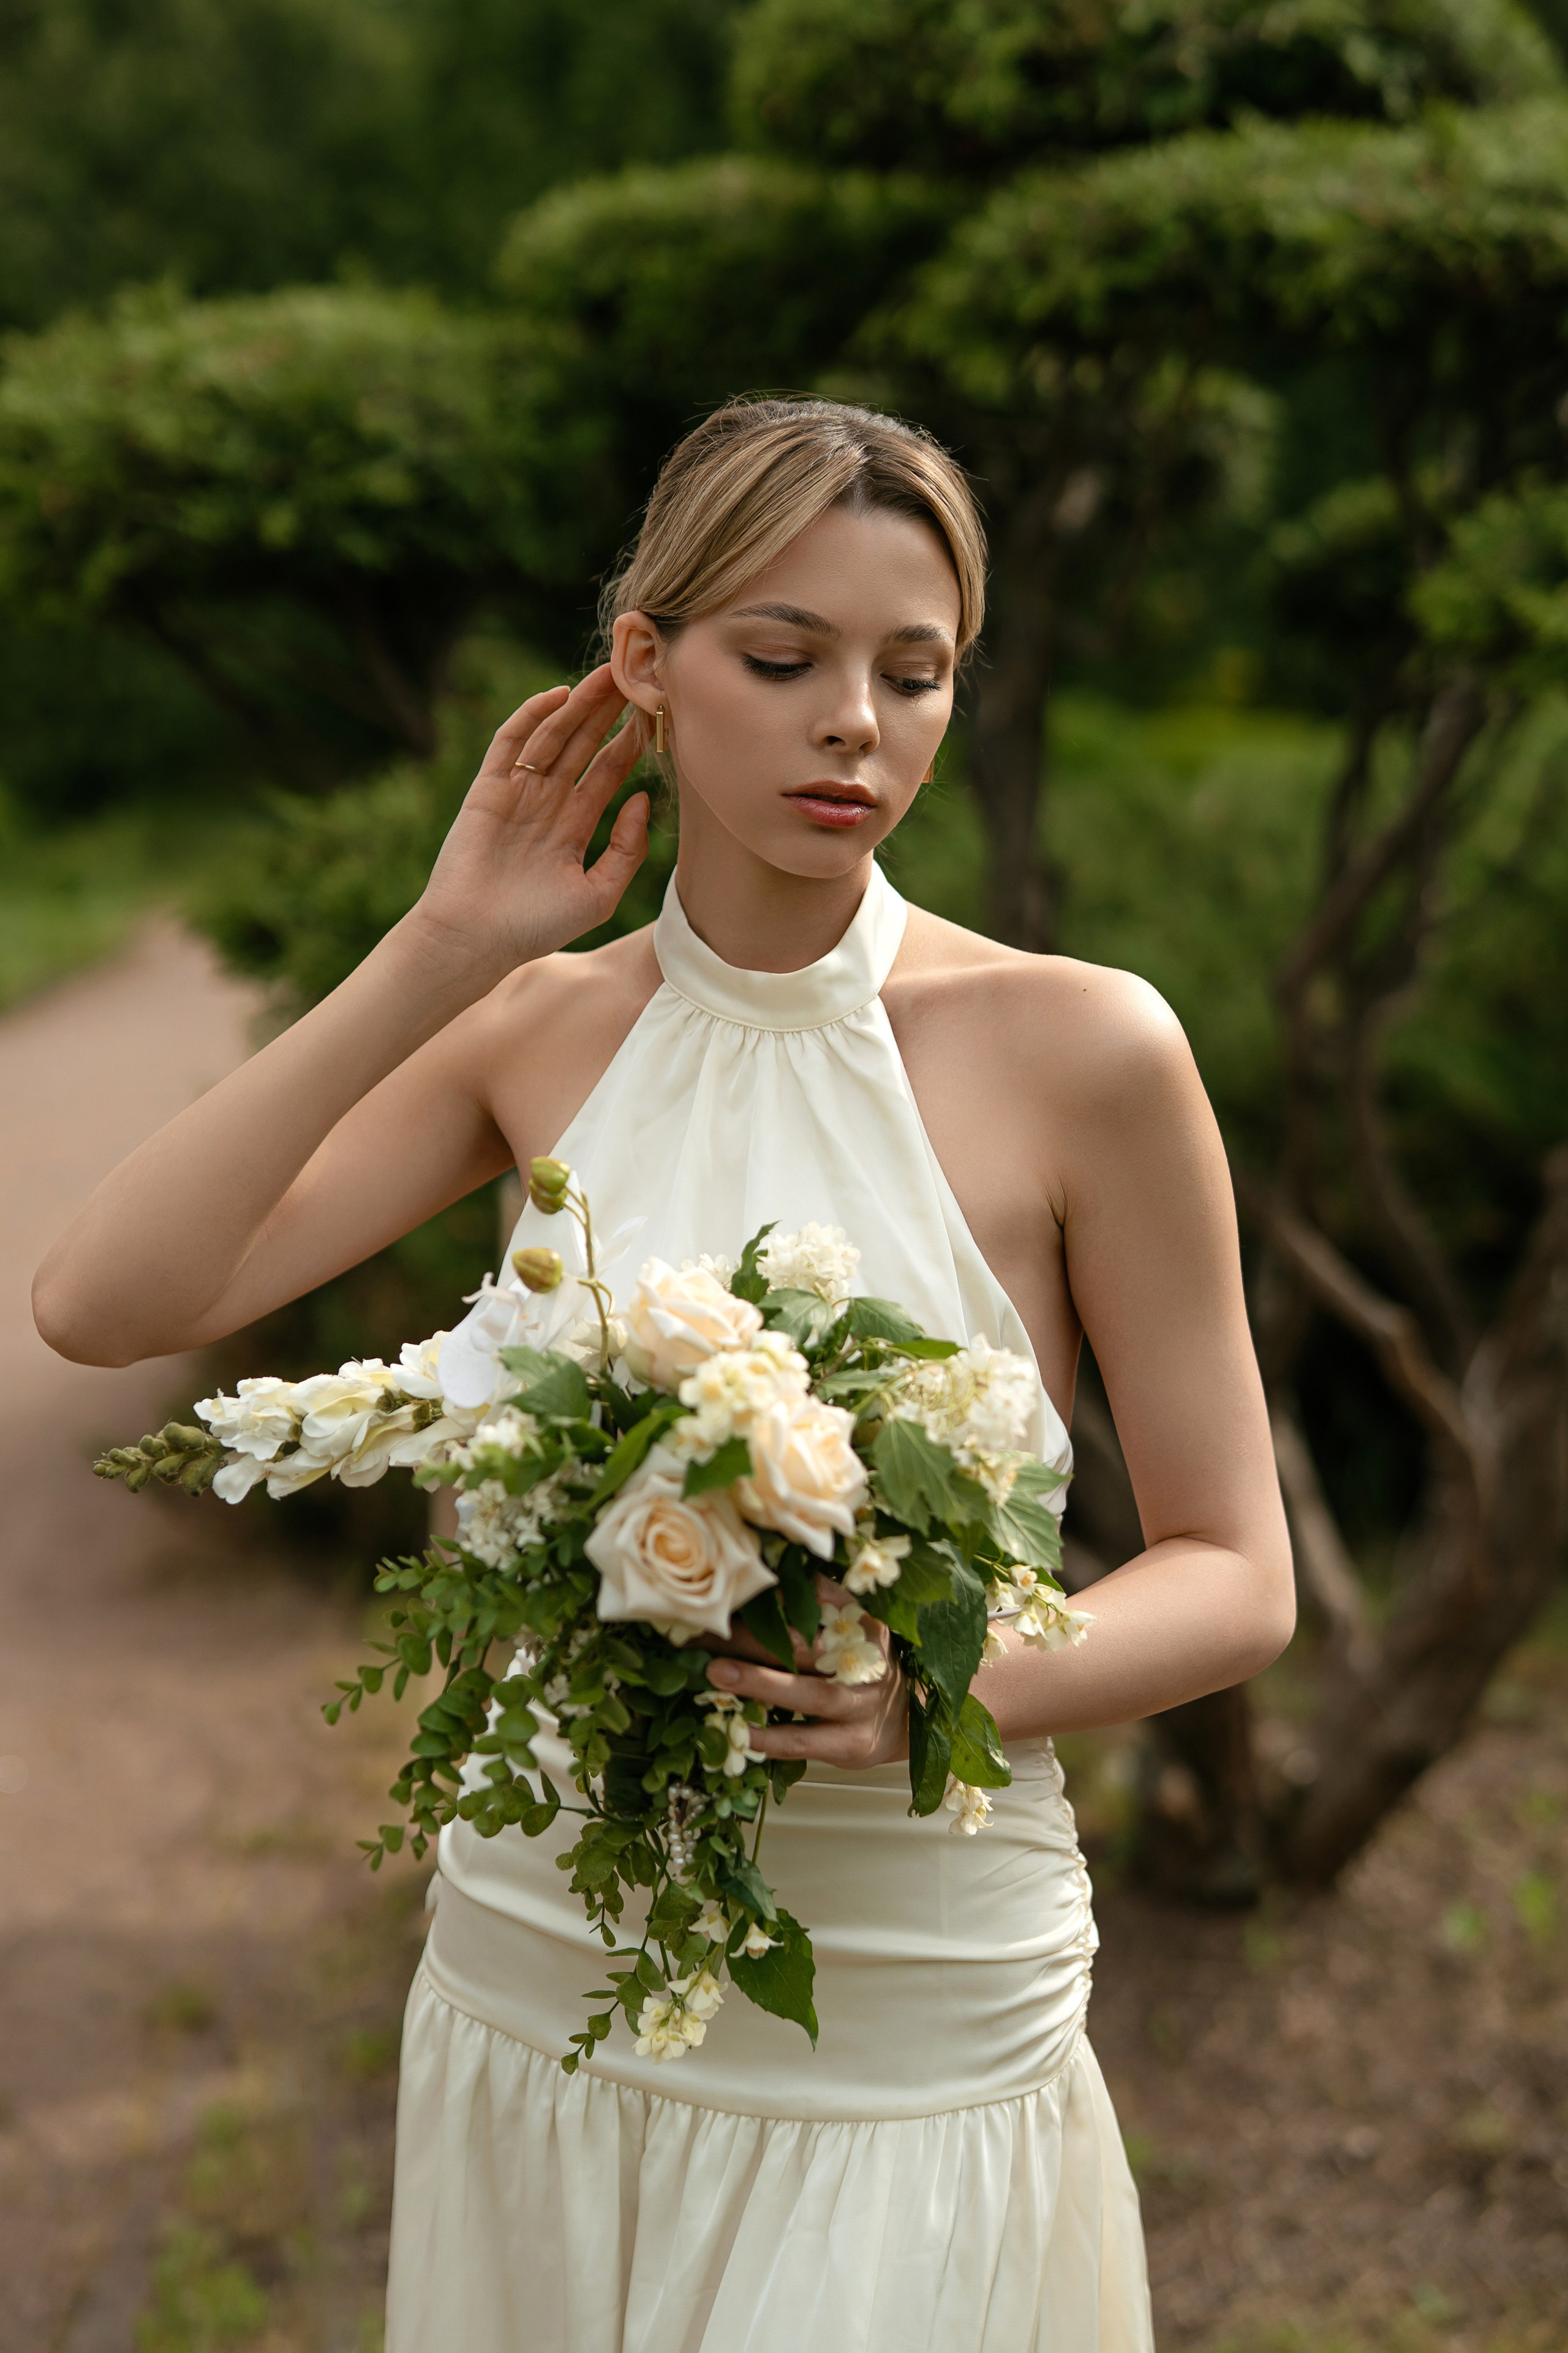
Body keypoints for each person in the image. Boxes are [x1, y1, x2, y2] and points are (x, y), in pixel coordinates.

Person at [34, 396, 1294, 2351]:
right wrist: (446, 943)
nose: (853, 724)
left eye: (914, 670)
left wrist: (940, 1685)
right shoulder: (531, 1035)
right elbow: (105, 1300)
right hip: (544, 1977)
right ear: (647, 663)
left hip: (902, 2006)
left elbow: (1237, 1568)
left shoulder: (1087, 1053)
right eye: (783, 659)